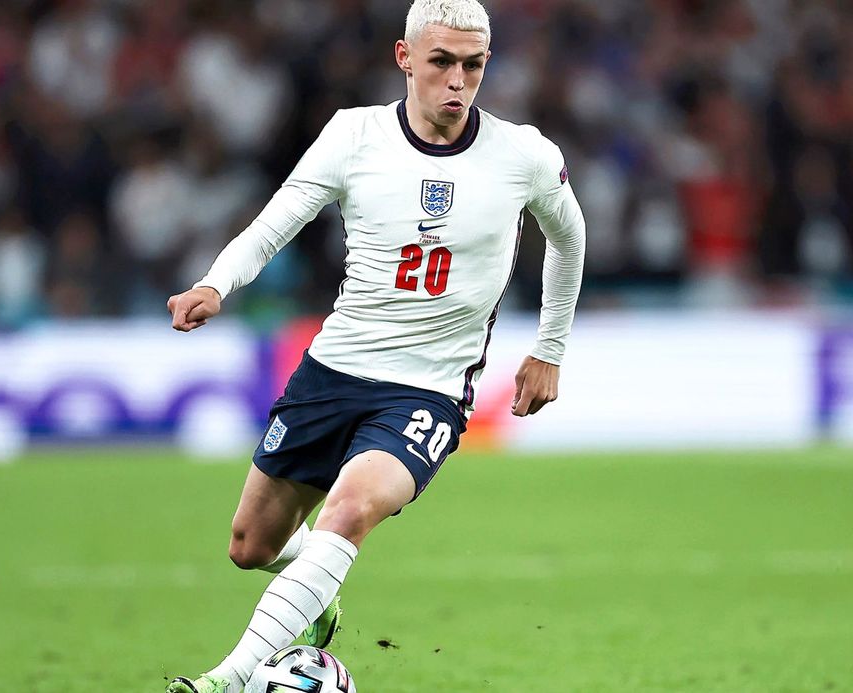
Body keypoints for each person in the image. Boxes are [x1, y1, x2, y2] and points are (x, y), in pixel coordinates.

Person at [164, 1, 585, 690]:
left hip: (429, 390)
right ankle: (315, 589)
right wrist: (216, 283)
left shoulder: (524, 155)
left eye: (472, 66)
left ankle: (228, 677)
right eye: (442, 62)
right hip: (334, 370)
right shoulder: (353, 137)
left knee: (352, 507)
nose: (457, 81)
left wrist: (550, 346)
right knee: (251, 545)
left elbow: (570, 237)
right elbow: (278, 220)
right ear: (405, 57)